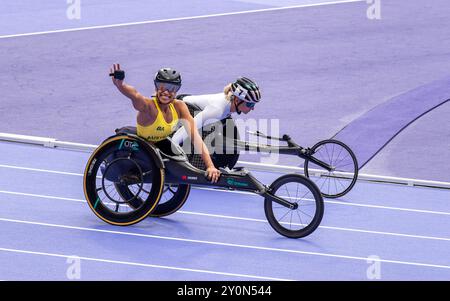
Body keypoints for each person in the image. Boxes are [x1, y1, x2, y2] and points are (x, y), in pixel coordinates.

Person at [109, 64, 221, 183]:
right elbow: (134, 95)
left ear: (177, 90)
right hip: (137, 149)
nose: (167, 92)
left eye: (173, 88)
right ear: (156, 87)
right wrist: (120, 85)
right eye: (162, 86)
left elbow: (195, 137)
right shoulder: (148, 107)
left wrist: (210, 166)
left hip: (158, 148)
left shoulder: (179, 107)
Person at [170, 76, 262, 145]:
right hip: (178, 110)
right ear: (237, 100)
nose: (252, 108)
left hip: (194, 109)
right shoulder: (217, 110)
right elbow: (185, 131)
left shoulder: (229, 104)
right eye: (250, 104)